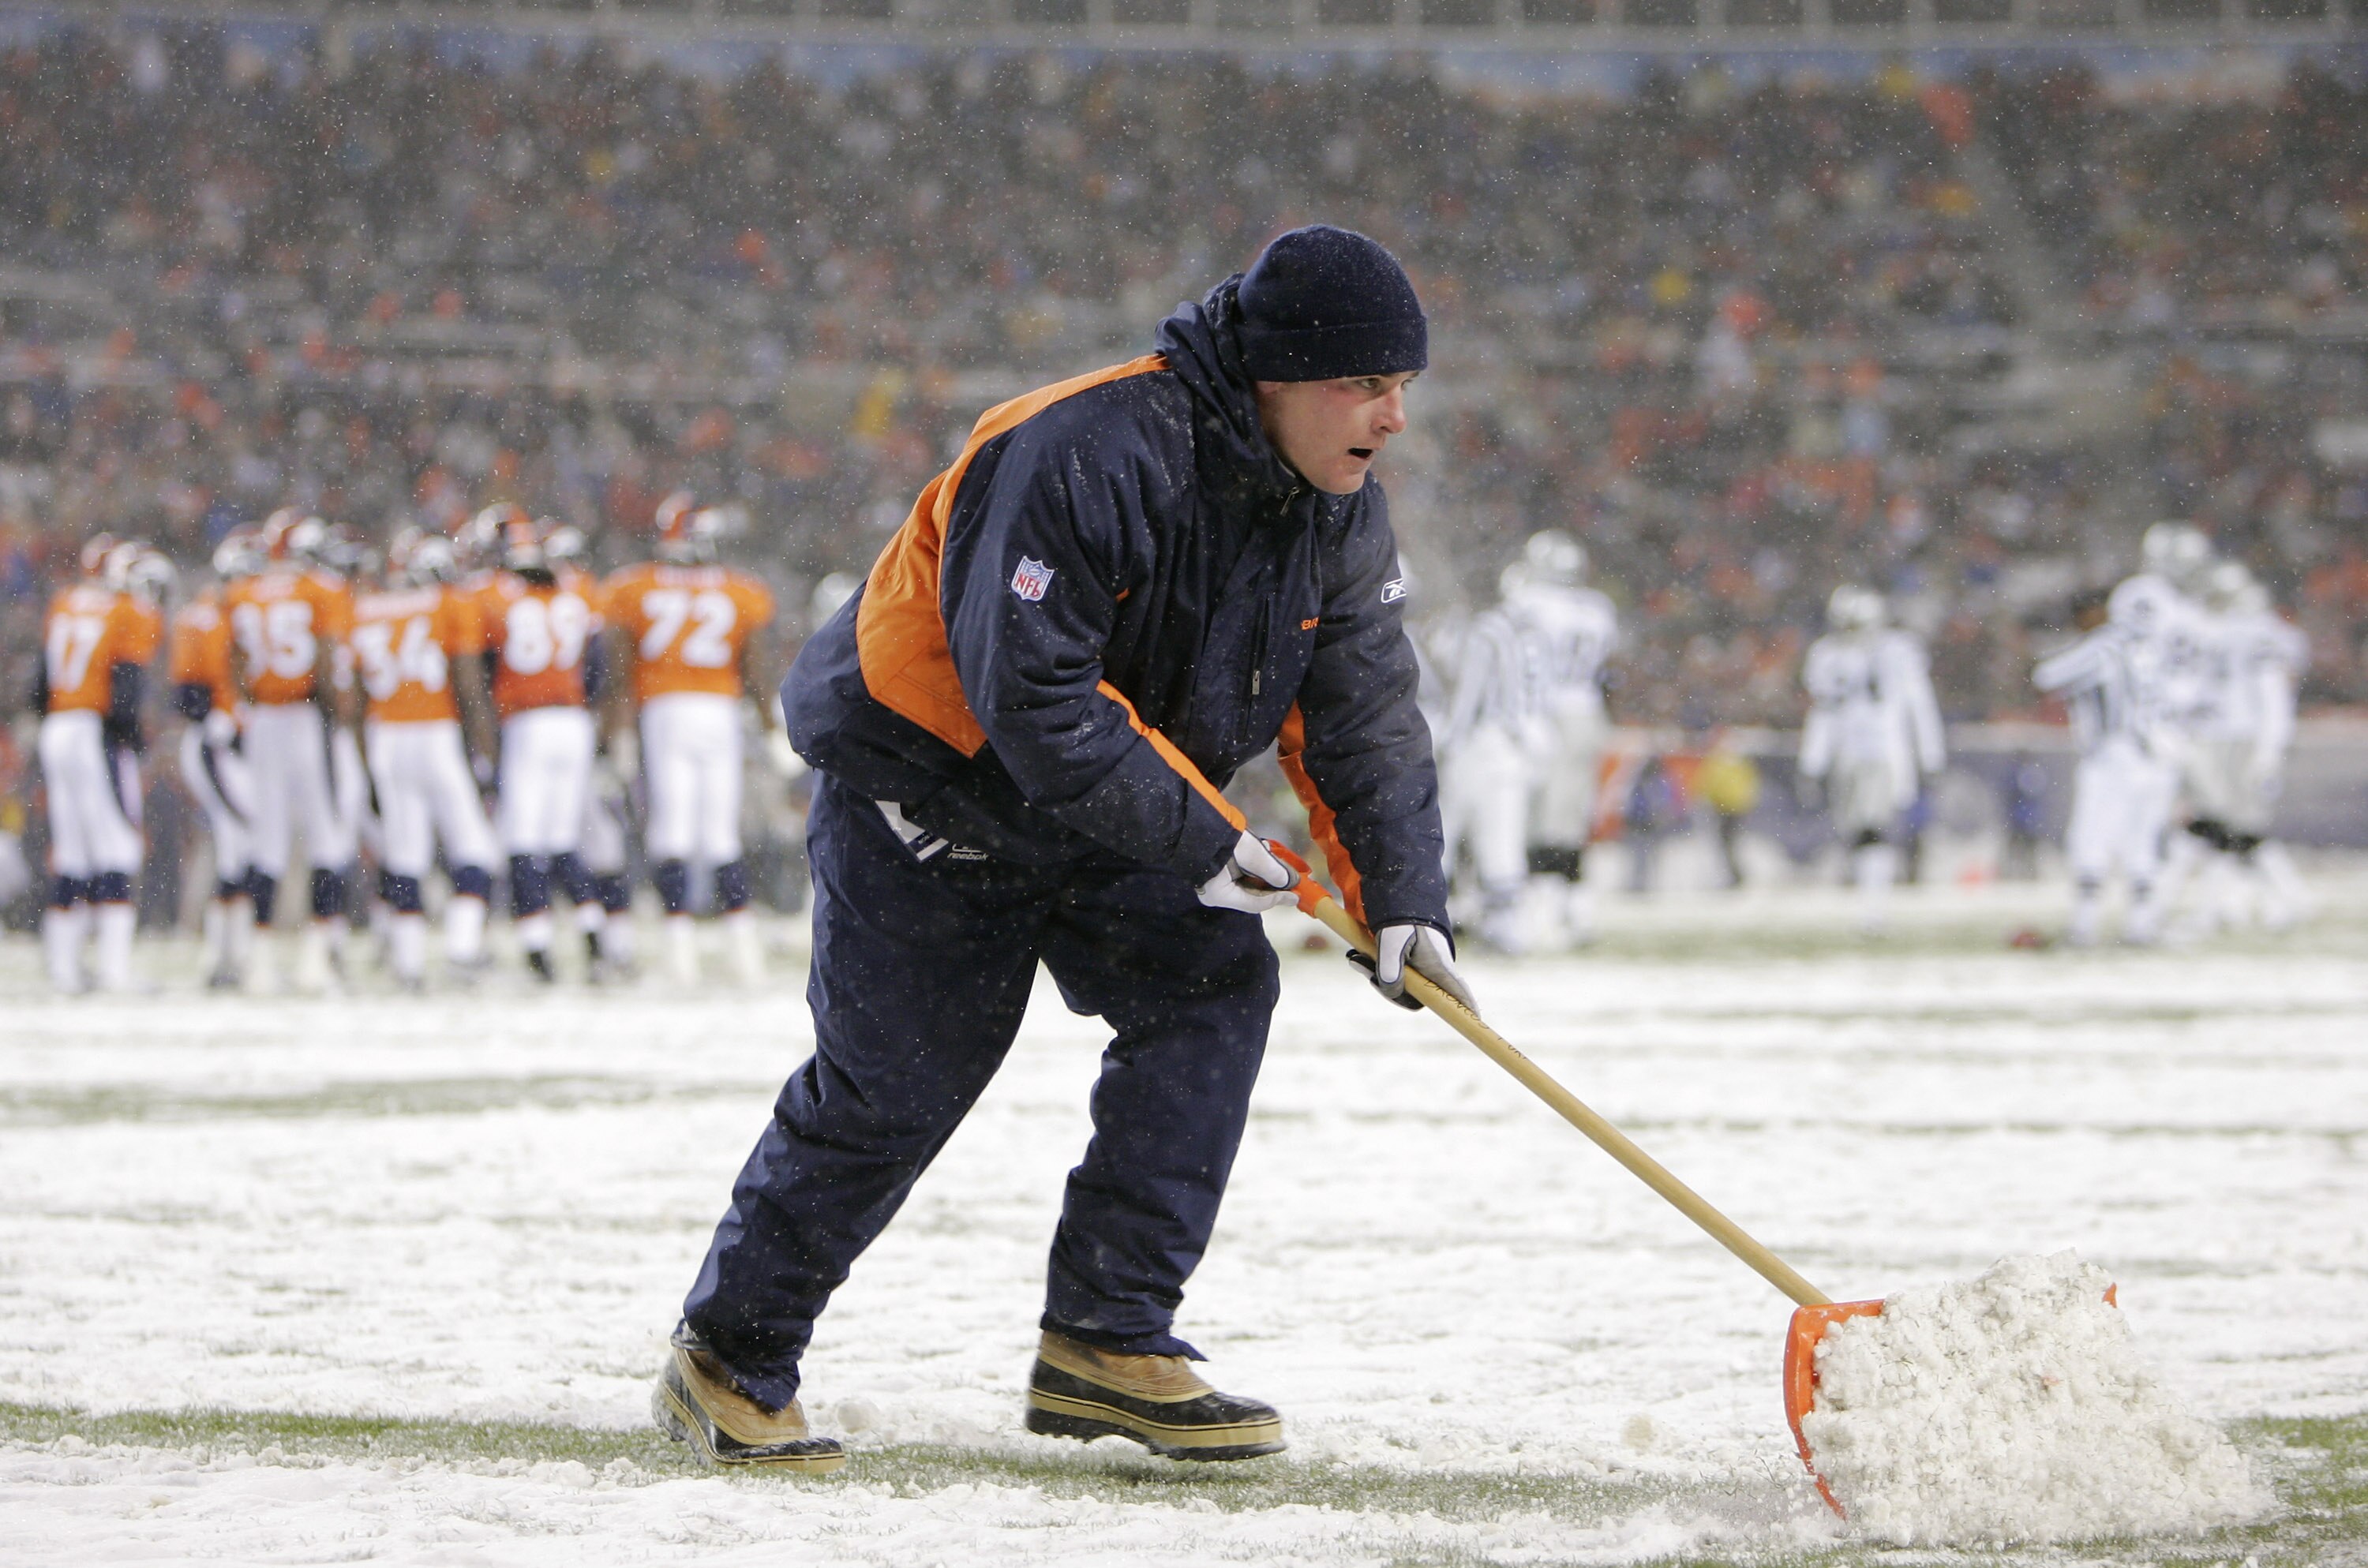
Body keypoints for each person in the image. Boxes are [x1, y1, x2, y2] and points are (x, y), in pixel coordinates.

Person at [657, 226, 1467, 1473]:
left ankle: (1107, 1336)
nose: (1393, 415)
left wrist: (1406, 897)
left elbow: (1361, 716)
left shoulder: (1340, 511)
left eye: (1403, 384)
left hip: (1111, 799)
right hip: (933, 790)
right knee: (903, 1076)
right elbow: (1032, 699)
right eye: (1366, 383)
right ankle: (726, 1355)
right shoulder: (1079, 445)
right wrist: (1203, 834)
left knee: (1213, 987)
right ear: (1276, 373)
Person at [601, 493, 792, 985]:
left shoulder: (634, 587)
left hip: (666, 711)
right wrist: (774, 732)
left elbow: (620, 676)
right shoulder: (739, 590)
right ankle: (743, 951)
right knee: (720, 834)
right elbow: (756, 674)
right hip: (719, 712)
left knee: (673, 831)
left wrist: (619, 738)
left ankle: (680, 951)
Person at [350, 529, 501, 989]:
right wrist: (486, 754)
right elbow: (469, 686)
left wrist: (365, 765)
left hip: (385, 737)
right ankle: (460, 950)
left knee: (406, 855)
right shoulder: (450, 604)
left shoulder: (368, 609)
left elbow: (355, 701)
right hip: (434, 732)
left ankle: (409, 964)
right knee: (476, 850)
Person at [224, 510, 359, 990]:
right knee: (328, 835)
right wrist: (339, 712)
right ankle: (316, 958)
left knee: (269, 841)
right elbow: (325, 660)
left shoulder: (246, 591)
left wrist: (255, 701)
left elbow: (236, 662)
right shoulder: (321, 589)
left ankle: (258, 959)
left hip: (264, 719)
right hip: (305, 717)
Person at [473, 506, 608, 982]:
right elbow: (596, 662)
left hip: (526, 722)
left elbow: (481, 669)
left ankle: (538, 950)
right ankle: (596, 939)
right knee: (563, 838)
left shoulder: (489, 597)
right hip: (572, 720)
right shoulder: (577, 590)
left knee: (523, 840)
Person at [34, 536, 163, 992]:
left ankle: (64, 968)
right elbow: (126, 688)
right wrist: (131, 739)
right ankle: (114, 970)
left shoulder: (65, 603)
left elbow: (38, 685)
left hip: (58, 726)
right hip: (96, 732)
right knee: (117, 850)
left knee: (71, 853)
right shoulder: (127, 610)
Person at [2033, 586, 2176, 946]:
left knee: (2091, 839)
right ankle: (2141, 927)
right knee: (2140, 844)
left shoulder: (2106, 647)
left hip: (2114, 754)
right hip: (2155, 755)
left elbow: (2046, 676)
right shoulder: (2155, 649)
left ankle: (2084, 927)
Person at [1797, 586, 1945, 932]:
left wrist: (1812, 761)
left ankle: (1873, 911)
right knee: (1861, 832)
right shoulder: (1841, 654)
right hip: (1861, 752)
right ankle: (1872, 907)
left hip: (1874, 751)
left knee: (1871, 831)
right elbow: (1826, 711)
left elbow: (1916, 706)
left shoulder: (1880, 652)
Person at [1497, 530, 1616, 944]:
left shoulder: (1532, 603)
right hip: (1587, 711)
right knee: (1572, 816)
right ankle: (1575, 909)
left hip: (1545, 713)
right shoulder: (1599, 609)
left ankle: (1541, 911)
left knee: (1536, 816)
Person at [171, 529, 260, 987]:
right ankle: (226, 956)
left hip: (233, 745)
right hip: (215, 744)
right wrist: (225, 723)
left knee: (236, 850)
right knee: (243, 840)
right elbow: (189, 696)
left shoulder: (232, 615)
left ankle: (226, 958)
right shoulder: (206, 617)